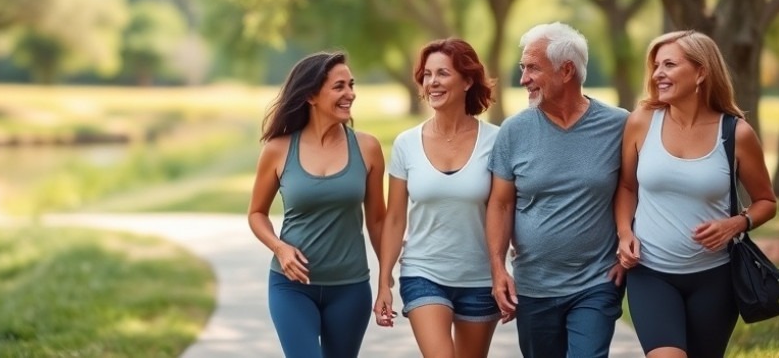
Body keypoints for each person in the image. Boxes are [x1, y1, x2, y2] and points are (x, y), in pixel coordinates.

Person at [614, 30, 776, 358]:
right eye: (656, 65)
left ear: (701, 72)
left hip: (715, 279)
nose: (658, 73)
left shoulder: (736, 133)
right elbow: (627, 186)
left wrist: (737, 223)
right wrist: (624, 233)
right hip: (651, 273)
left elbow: (767, 202)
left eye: (670, 64)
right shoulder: (642, 122)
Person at [485, 22, 629, 358]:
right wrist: (497, 269)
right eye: (523, 68)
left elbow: (634, 188)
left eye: (532, 68)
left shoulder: (619, 125)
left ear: (566, 70)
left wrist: (626, 246)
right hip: (533, 287)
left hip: (596, 283)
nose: (523, 80)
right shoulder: (514, 131)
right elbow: (501, 205)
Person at [247, 51, 387, 358]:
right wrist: (280, 248)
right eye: (339, 86)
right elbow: (256, 213)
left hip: (350, 288)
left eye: (351, 85)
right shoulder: (278, 149)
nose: (350, 94)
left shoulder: (367, 147)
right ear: (311, 94)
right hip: (291, 287)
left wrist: (386, 282)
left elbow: (377, 221)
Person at [373, 38, 501, 357]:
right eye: (427, 74)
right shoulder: (406, 144)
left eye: (442, 73)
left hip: (480, 277)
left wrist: (503, 270)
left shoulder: (497, 142)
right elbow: (395, 218)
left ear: (468, 80)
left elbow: (505, 209)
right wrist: (384, 280)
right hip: (423, 271)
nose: (432, 82)